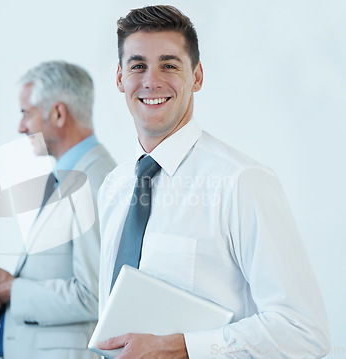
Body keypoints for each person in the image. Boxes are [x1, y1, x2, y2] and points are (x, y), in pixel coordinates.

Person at [96, 5, 330, 358]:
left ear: (198, 76)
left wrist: (184, 348)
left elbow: (304, 331)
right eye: (137, 65)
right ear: (119, 78)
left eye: (169, 65)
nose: (151, 81)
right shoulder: (114, 187)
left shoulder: (241, 181)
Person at [0, 61, 116, 359]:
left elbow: (95, 296)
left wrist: (14, 289)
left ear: (58, 113)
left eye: (26, 113)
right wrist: (8, 295)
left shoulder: (93, 182)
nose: (21, 126)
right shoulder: (72, 175)